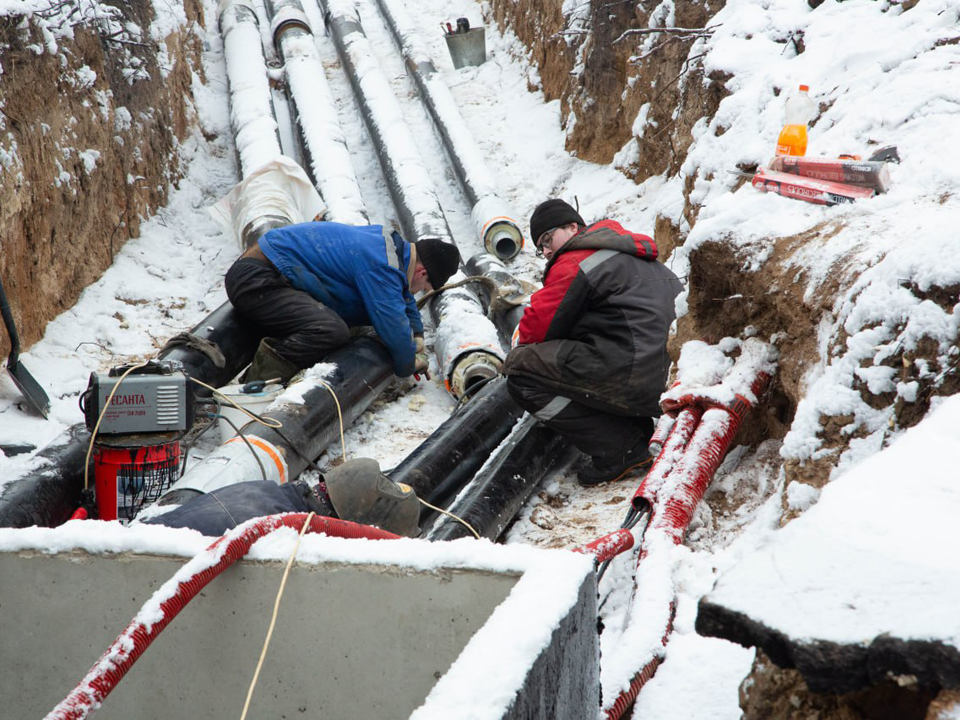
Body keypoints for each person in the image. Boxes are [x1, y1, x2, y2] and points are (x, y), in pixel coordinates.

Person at [501, 199, 683, 486]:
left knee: (521, 369)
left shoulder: (576, 260)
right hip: (674, 377)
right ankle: (631, 429)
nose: (547, 250)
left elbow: (534, 331)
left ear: (573, 227)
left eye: (548, 239)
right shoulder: (626, 250)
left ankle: (620, 449)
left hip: (640, 377)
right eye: (541, 246)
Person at [225, 221, 461, 383]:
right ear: (421, 273)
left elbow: (402, 294)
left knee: (343, 321)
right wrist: (409, 362)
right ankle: (256, 386)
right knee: (331, 330)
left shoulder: (389, 248)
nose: (420, 292)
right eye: (426, 288)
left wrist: (417, 332)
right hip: (257, 279)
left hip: (269, 275)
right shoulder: (380, 265)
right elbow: (392, 326)